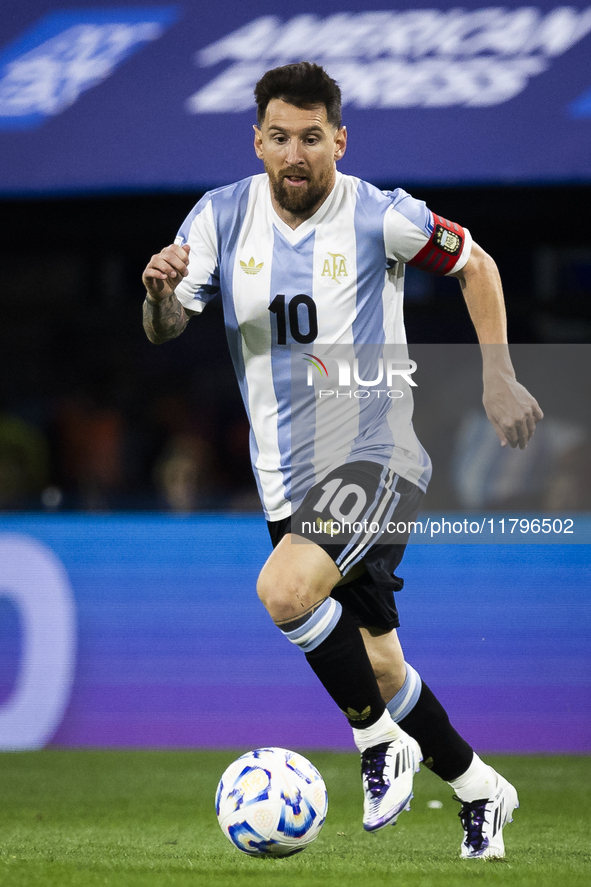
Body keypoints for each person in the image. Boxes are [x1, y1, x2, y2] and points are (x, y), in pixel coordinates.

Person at [141, 62, 543, 858]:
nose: (297, 153)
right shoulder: (219, 219)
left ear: (339, 140)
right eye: (281, 137)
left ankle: (376, 742)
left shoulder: (379, 215)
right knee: (381, 663)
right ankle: (478, 788)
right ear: (257, 142)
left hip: (377, 453)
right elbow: (166, 328)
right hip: (286, 481)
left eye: (313, 138)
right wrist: (158, 294)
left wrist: (499, 373)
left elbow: (477, 263)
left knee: (285, 590)